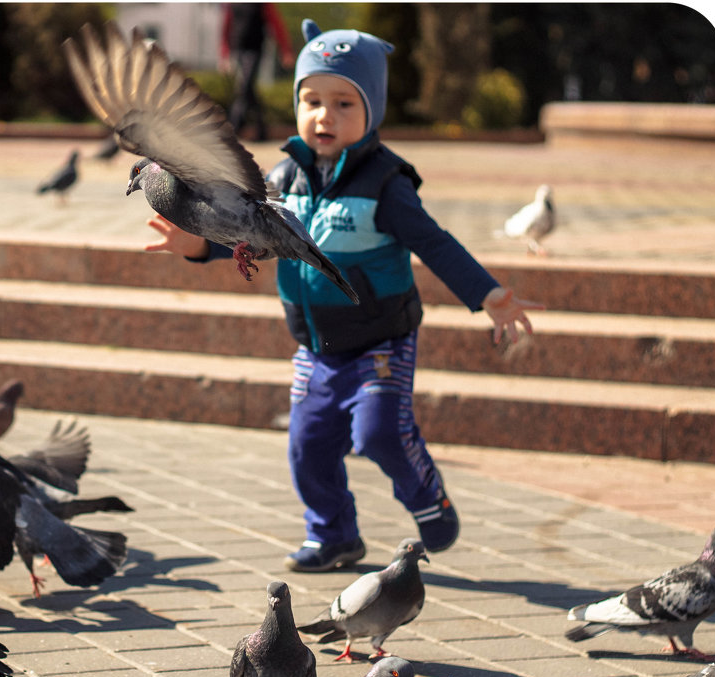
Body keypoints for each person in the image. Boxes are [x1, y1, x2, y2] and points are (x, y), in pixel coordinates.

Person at [145, 21, 542, 572]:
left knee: (379, 433)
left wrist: (489, 294)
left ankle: (426, 492)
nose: (324, 116)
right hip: (315, 346)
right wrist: (196, 245)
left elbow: (434, 242)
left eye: (343, 103)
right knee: (307, 447)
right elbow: (253, 239)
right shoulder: (284, 177)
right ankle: (333, 535)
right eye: (311, 100)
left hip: (382, 339)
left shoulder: (385, 182)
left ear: (372, 110)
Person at [220, 3, 293, 142]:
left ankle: (232, 130)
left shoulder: (262, 4)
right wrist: (224, 54)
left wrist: (285, 50)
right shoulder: (232, 4)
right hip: (238, 50)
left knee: (243, 87)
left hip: (255, 50)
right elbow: (226, 28)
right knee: (248, 91)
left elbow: (275, 23)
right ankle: (262, 131)